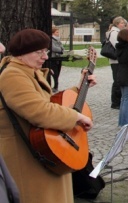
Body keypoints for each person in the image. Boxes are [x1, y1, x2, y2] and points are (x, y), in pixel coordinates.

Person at [0, 29, 96, 202]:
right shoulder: (12, 75)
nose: (45, 56)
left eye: (46, 51)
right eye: (39, 52)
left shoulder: (28, 71)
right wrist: (77, 117)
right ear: (21, 54)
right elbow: (39, 111)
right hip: (25, 159)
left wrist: (79, 87)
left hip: (41, 156)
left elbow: (51, 102)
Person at [107, 16, 126, 109]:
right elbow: (117, 45)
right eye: (122, 23)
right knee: (117, 81)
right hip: (115, 60)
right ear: (117, 23)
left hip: (118, 60)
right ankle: (115, 102)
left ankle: (118, 100)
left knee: (119, 80)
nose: (123, 24)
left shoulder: (118, 32)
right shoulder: (114, 32)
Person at [49, 26, 65, 93]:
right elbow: (54, 48)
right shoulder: (51, 40)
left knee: (58, 72)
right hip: (53, 58)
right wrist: (60, 50)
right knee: (54, 73)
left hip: (59, 58)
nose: (58, 33)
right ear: (53, 33)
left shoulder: (58, 40)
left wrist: (61, 49)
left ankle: (56, 86)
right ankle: (55, 86)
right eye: (57, 32)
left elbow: (62, 48)